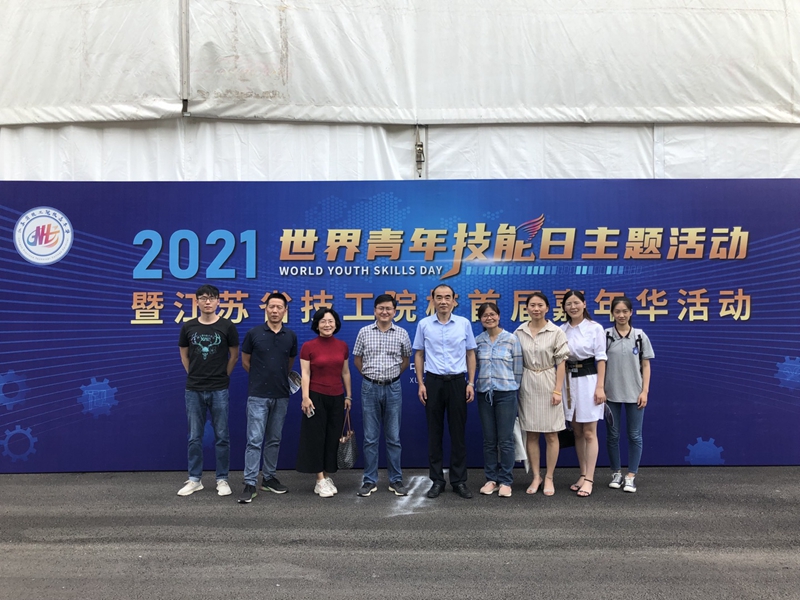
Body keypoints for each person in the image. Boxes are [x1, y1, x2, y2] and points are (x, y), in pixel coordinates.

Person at [413, 284, 477, 499]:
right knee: (434, 433)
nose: (443, 301)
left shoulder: (463, 323)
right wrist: (421, 383)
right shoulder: (424, 324)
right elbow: (419, 354)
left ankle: (459, 481)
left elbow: (470, 353)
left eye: (447, 297)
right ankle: (437, 481)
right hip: (433, 382)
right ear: (432, 300)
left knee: (458, 434)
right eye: (439, 297)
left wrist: (471, 383)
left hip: (458, 382)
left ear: (453, 300)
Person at [177, 284, 239, 497]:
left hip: (219, 389)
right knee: (194, 437)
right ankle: (195, 479)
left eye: (212, 298)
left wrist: (223, 376)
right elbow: (184, 355)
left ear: (218, 301)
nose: (208, 301)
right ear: (197, 301)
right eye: (203, 298)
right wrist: (194, 373)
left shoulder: (227, 326)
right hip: (193, 389)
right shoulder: (188, 326)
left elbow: (234, 356)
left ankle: (222, 479)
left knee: (222, 436)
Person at [237, 293, 298, 504]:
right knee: (254, 440)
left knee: (274, 439)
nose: (275, 310)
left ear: (285, 311)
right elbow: (245, 362)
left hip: (281, 395)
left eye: (279, 307)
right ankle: (250, 482)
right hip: (258, 395)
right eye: (271, 306)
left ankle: (269, 478)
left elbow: (289, 363)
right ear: (266, 309)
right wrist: (260, 378)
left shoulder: (290, 336)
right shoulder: (254, 333)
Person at [353, 294, 412, 497]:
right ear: (375, 310)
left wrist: (391, 377)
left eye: (388, 308)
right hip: (369, 387)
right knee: (370, 438)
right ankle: (370, 480)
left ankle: (395, 480)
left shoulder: (402, 333)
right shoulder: (364, 332)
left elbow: (405, 360)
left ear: (395, 311)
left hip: (393, 387)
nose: (384, 312)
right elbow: (357, 359)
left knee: (393, 437)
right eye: (381, 308)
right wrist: (370, 377)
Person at [514, 292, 570, 497]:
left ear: (547, 308)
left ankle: (549, 477)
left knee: (552, 433)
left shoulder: (556, 332)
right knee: (531, 433)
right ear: (527, 308)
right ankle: (536, 476)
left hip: (549, 381)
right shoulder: (519, 331)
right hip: (527, 383)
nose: (536, 309)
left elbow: (561, 363)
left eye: (540, 305)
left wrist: (557, 390)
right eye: (532, 305)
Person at [296, 307, 352, 498]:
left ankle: (327, 476)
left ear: (336, 324)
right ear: (317, 324)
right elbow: (305, 373)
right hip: (315, 397)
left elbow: (345, 372)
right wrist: (305, 397)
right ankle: (319, 479)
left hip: (337, 396)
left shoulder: (342, 346)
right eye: (323, 321)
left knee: (332, 437)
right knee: (316, 438)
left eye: (330, 321)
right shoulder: (308, 346)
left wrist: (348, 395)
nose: (327, 325)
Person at [604, 296, 654, 493]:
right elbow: (600, 363)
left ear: (631, 312)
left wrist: (645, 391)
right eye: (617, 311)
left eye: (625, 311)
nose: (621, 315)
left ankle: (631, 475)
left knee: (635, 436)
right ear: (612, 314)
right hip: (611, 394)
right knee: (612, 436)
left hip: (635, 394)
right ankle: (616, 473)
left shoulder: (640, 336)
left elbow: (646, 365)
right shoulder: (606, 335)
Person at [560, 290, 607, 498]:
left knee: (589, 432)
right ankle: (582, 473)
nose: (573, 307)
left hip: (589, 381)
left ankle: (590, 478)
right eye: (569, 304)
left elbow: (601, 359)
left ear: (584, 304)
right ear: (564, 307)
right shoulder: (561, 329)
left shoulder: (594, 328)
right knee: (577, 431)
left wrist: (600, 387)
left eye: (576, 303)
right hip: (569, 383)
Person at [475, 302, 523, 498]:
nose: (489, 318)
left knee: (505, 440)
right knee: (489, 440)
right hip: (484, 394)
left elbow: (518, 369)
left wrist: (510, 386)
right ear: (480, 319)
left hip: (506, 394)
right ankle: (491, 479)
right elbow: (474, 366)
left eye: (492, 314)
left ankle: (506, 480)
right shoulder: (478, 341)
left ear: (499, 316)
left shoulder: (511, 339)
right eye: (485, 315)